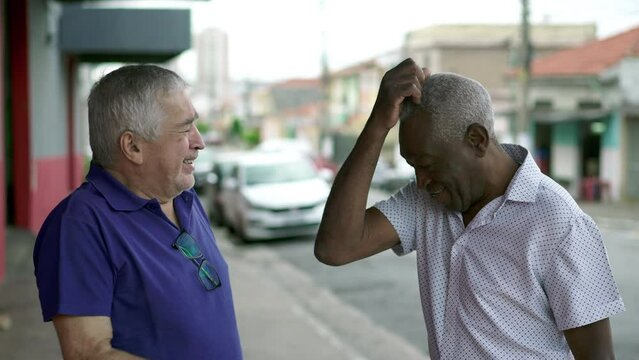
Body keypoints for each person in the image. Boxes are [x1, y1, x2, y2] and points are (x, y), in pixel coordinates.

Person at [314, 58, 625, 359]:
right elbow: (335, 248)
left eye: (428, 165)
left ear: (477, 140)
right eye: (413, 167)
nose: (421, 181)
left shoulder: (558, 221)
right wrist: (377, 124)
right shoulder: (426, 201)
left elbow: (598, 356)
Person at [33, 65, 243, 359]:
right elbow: (89, 354)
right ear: (133, 146)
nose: (200, 142)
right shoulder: (79, 225)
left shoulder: (185, 197)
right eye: (184, 129)